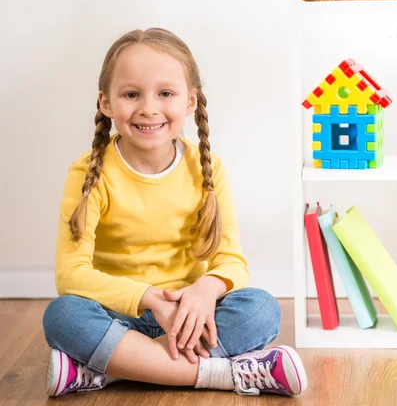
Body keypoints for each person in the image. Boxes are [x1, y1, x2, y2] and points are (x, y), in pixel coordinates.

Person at [42, 28, 307, 398]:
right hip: (118, 314)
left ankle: (115, 369)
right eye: (131, 94)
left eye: (165, 93)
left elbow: (232, 262)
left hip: (192, 316)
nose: (149, 108)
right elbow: (71, 275)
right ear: (105, 103)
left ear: (190, 102)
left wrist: (204, 290)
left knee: (261, 308)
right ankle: (224, 374)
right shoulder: (89, 173)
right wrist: (149, 297)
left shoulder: (207, 167)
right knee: (63, 315)